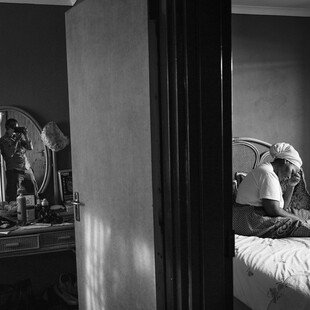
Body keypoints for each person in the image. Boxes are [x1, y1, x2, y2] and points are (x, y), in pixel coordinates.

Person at [233, 142, 310, 238]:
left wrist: (291, 185)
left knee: (302, 213)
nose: (290, 176)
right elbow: (273, 210)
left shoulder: (271, 174)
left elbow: (283, 208)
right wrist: (300, 220)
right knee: (297, 224)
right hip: (249, 220)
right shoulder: (267, 173)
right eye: (292, 171)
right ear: (286, 161)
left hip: (257, 214)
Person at [0, 118, 38, 202]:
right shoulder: (3, 140)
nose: (15, 129)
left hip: (26, 168)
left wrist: (26, 135)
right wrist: (16, 141)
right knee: (13, 195)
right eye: (13, 127)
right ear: (7, 128)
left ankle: (34, 210)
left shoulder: (18, 137)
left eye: (16, 127)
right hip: (14, 171)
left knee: (33, 192)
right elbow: (10, 154)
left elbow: (30, 147)